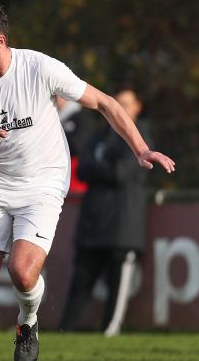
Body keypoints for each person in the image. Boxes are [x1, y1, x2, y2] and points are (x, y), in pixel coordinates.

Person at [0, 3, 174, 361]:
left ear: (0, 41)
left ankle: (28, 322)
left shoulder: (38, 67)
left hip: (43, 181)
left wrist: (140, 149)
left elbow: (105, 103)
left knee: (24, 272)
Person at [60, 88, 148, 336]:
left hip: (123, 224)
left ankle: (110, 331)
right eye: (116, 103)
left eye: (126, 104)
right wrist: (104, 167)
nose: (120, 108)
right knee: (81, 281)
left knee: (118, 282)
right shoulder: (98, 136)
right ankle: (64, 332)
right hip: (93, 222)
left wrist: (98, 166)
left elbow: (121, 173)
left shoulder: (142, 137)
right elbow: (82, 170)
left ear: (137, 107)